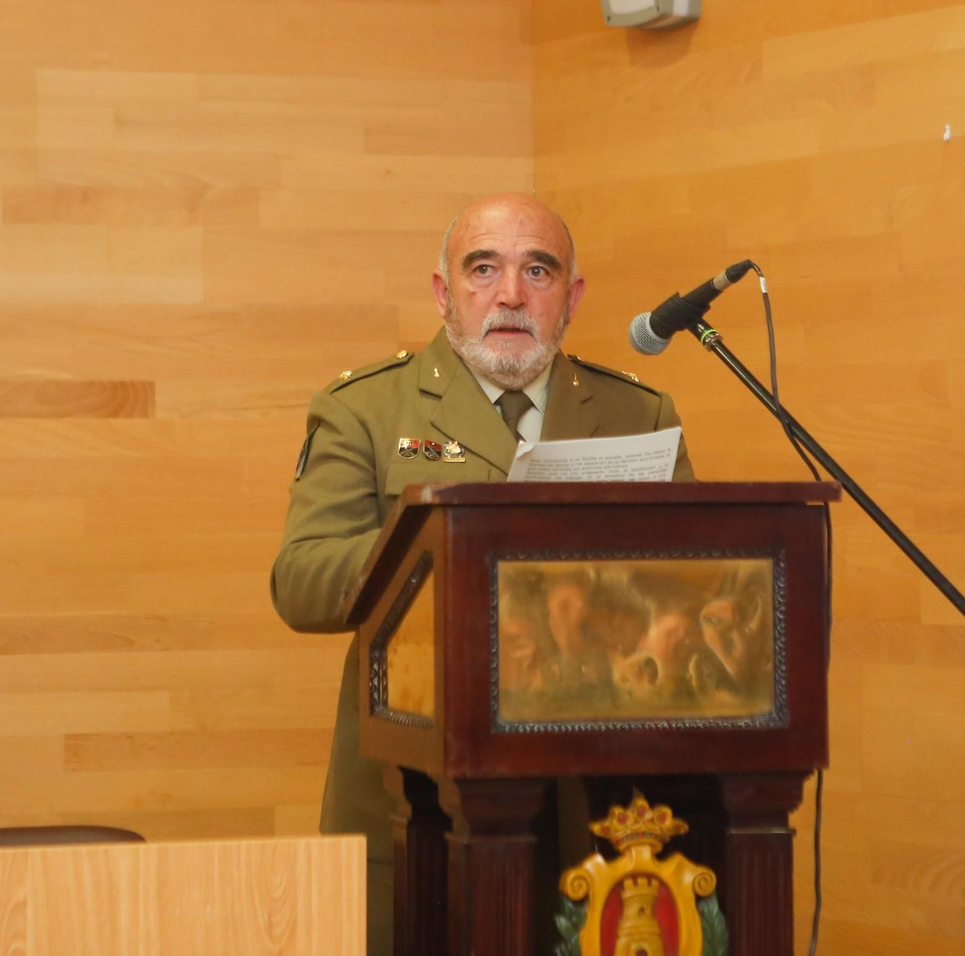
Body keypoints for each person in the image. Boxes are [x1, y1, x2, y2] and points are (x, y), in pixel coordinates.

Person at [270, 192, 693, 955]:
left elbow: (692, 589)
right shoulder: (364, 409)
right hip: (417, 803)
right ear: (443, 293)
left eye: (539, 270)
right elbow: (301, 580)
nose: (510, 294)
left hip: (594, 806)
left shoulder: (639, 414)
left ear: (572, 297)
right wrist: (444, 547)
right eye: (483, 269)